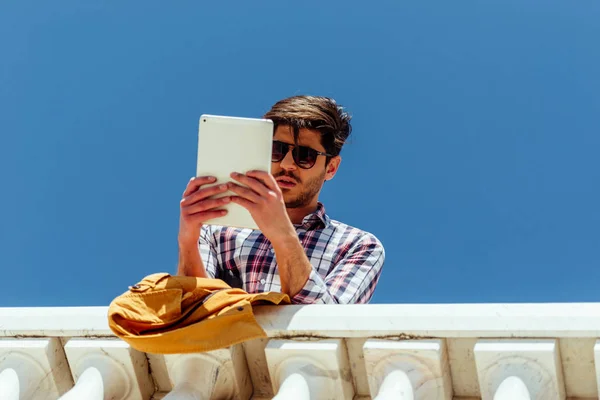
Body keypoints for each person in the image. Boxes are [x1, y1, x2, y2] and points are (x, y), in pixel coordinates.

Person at [177, 95, 385, 304]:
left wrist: (282, 235)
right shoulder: (216, 231)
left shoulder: (357, 245)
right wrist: (187, 243)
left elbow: (325, 325)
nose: (287, 164)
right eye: (277, 150)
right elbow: (190, 310)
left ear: (330, 168)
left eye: (305, 155)